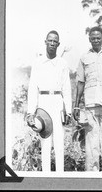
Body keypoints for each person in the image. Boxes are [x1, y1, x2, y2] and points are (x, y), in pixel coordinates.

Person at [73, 26, 102, 172]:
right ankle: (92, 176)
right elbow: (80, 82)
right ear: (89, 40)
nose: (96, 40)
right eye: (93, 38)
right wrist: (76, 106)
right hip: (90, 106)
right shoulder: (84, 57)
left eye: (98, 38)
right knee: (91, 145)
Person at [26, 30, 72, 172]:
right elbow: (33, 88)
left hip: (57, 102)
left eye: (55, 41)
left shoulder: (62, 63)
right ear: (45, 42)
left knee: (59, 142)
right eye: (50, 40)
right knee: (45, 142)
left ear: (58, 44)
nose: (52, 43)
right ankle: (45, 176)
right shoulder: (38, 63)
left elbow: (67, 88)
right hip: (43, 103)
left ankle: (60, 176)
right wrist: (30, 112)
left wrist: (68, 111)